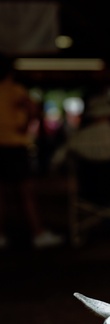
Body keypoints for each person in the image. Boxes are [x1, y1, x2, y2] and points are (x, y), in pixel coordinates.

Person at [0, 53, 63, 249]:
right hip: (15, 146)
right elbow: (34, 110)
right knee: (26, 193)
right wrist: (27, 122)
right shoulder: (15, 90)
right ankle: (38, 232)